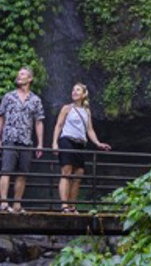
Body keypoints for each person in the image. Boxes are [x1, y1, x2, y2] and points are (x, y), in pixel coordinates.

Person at [51, 83, 111, 213]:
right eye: (73, 90)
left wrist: (98, 143)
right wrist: (54, 143)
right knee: (66, 171)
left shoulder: (87, 111)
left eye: (77, 90)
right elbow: (59, 125)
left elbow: (89, 130)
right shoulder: (66, 108)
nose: (74, 92)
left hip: (80, 143)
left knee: (78, 174)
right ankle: (64, 206)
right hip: (66, 140)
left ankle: (72, 206)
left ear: (84, 94)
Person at [0, 66, 44, 213]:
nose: (19, 76)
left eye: (22, 74)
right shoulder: (8, 96)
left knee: (22, 174)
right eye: (18, 74)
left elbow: (39, 122)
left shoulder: (35, 100)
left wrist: (40, 144)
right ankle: (3, 203)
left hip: (26, 140)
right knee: (6, 171)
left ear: (30, 79)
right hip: (9, 137)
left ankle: (17, 204)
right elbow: (1, 117)